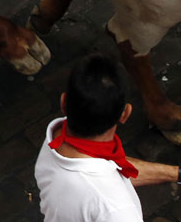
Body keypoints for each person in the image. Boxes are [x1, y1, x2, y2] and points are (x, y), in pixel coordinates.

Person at [35, 53, 180, 222]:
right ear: (125, 114)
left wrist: (176, 174)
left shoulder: (55, 137)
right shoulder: (116, 210)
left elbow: (113, 168)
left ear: (63, 102)